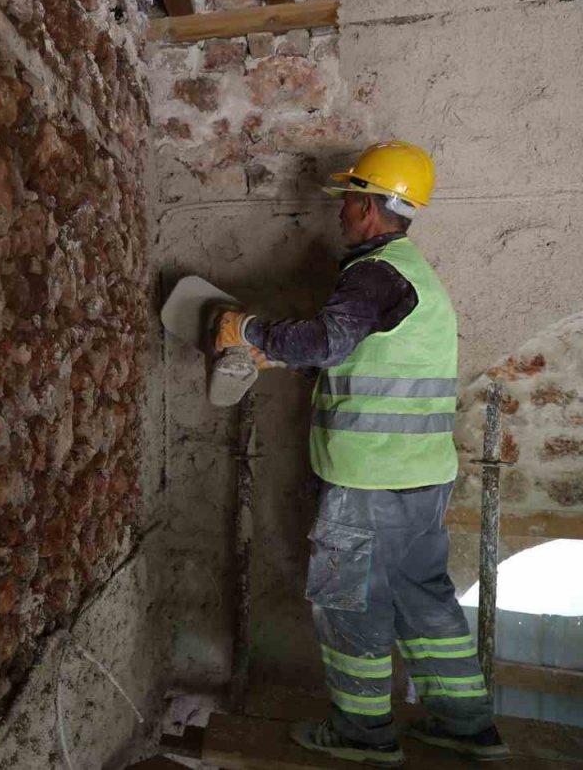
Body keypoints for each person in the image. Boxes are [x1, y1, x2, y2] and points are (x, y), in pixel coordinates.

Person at [213, 142, 509, 766]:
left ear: (371, 206)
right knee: (423, 596)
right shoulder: (411, 275)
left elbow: (327, 340)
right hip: (421, 477)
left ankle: (363, 734)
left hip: (371, 479)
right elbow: (357, 357)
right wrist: (286, 358)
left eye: (349, 198)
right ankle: (467, 725)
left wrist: (248, 329)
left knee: (347, 600)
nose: (341, 210)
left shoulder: (374, 273)